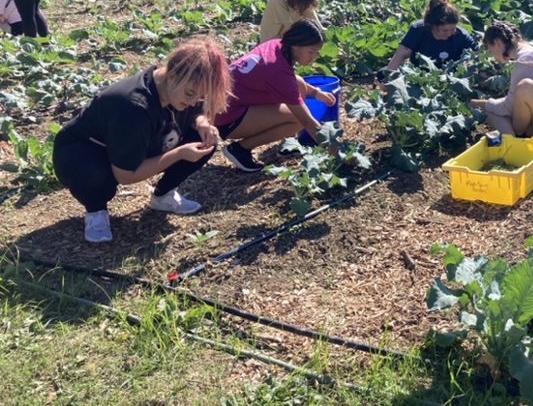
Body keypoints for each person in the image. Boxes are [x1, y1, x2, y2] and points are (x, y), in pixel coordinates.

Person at [53, 37, 232, 243]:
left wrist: (202, 124)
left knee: (205, 140)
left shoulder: (171, 85)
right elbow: (126, 176)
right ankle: (96, 210)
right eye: (190, 94)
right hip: (83, 151)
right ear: (172, 75)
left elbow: (195, 111)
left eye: (200, 97)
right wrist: (179, 154)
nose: (193, 101)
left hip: (134, 140)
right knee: (95, 174)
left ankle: (163, 196)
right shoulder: (134, 107)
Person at [216, 19, 336, 172]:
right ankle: (239, 149)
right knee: (297, 119)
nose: (314, 57)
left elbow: (294, 82)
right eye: (311, 52)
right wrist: (333, 149)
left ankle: (285, 139)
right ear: (295, 45)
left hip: (225, 102)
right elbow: (306, 120)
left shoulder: (276, 45)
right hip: (226, 117)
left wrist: (316, 93)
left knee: (298, 84)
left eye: (317, 52)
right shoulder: (277, 71)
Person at [383, 0, 477, 73]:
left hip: (450, 82)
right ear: (432, 25)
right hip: (418, 78)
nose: (449, 33)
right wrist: (388, 77)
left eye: (453, 29)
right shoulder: (418, 30)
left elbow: (476, 58)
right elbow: (401, 54)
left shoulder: (462, 37)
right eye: (445, 30)